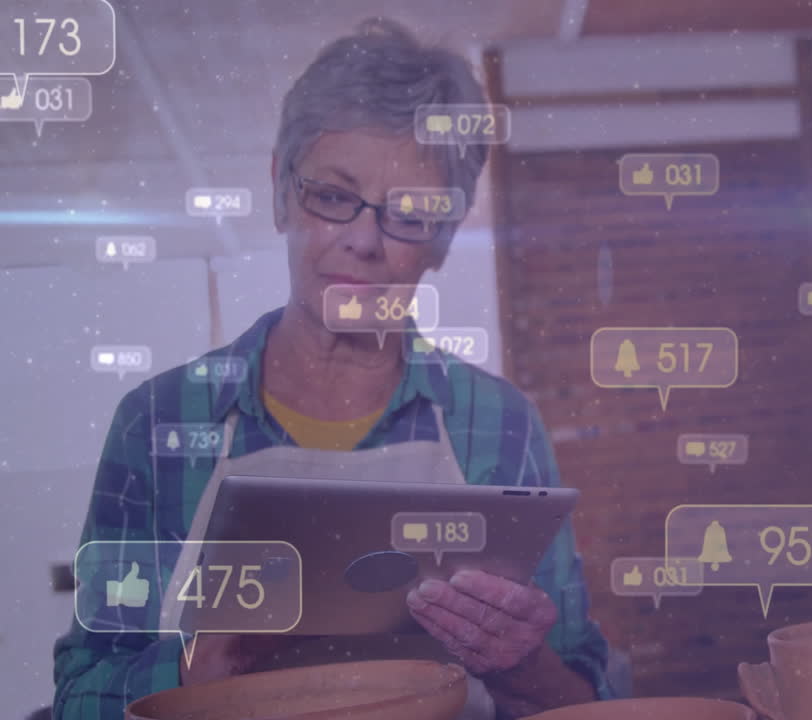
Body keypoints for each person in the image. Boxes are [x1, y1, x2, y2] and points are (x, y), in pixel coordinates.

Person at [53, 18, 618, 719]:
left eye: (409, 214)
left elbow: (586, 700)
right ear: (282, 193)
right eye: (333, 196)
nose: (362, 241)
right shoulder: (159, 422)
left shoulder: (499, 427)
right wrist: (190, 667)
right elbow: (78, 695)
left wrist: (522, 665)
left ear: (441, 241)